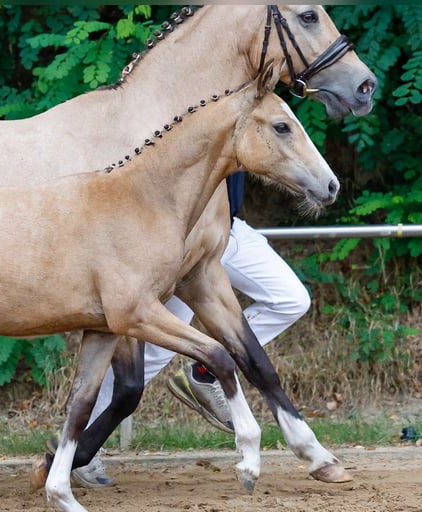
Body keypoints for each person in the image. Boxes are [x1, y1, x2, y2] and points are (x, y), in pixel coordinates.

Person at [71, 172, 312, 488]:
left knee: (291, 299)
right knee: (154, 350)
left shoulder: (252, 123)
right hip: (183, 240)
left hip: (227, 230)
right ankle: (78, 442)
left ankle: (203, 370)